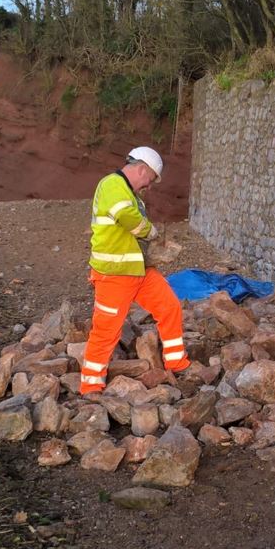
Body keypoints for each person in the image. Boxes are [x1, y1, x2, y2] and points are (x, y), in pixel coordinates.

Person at [79, 146, 190, 394]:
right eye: (149, 181)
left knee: (169, 306)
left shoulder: (129, 193)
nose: (147, 187)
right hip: (114, 274)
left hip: (139, 270)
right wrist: (149, 230)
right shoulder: (112, 185)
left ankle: (177, 363)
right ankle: (91, 385)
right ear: (141, 169)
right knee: (106, 330)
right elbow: (127, 217)